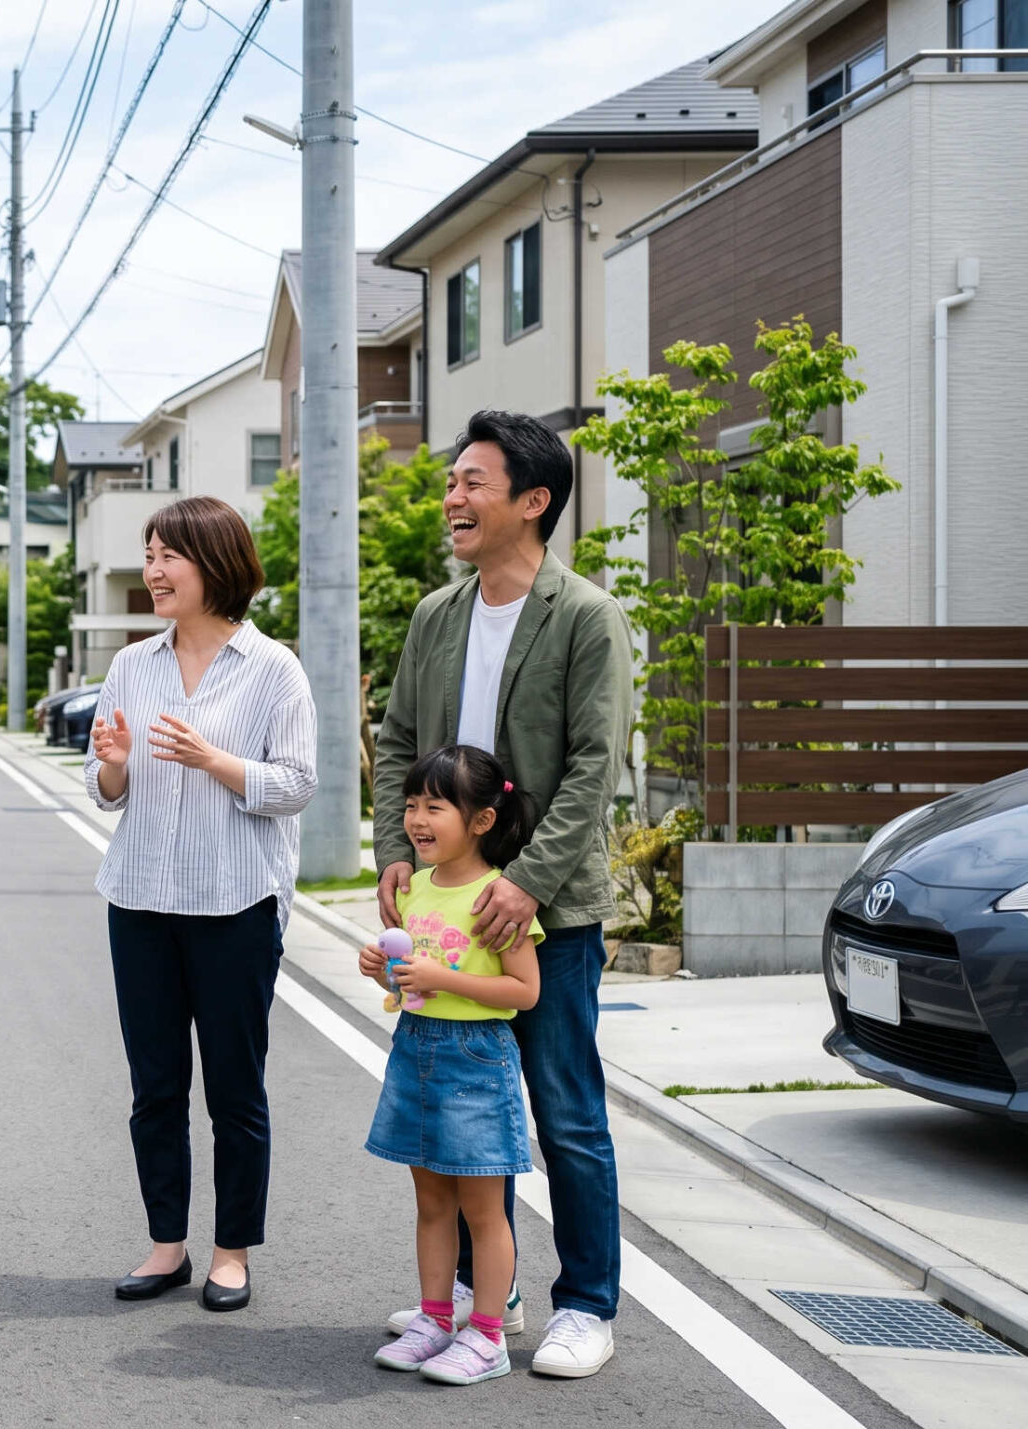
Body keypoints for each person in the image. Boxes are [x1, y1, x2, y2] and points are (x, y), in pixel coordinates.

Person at [372, 410, 633, 1378]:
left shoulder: (586, 615)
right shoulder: (437, 615)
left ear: (533, 500)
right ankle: (492, 1300)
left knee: (564, 1110)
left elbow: (595, 767)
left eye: (471, 481)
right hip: (447, 904)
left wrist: (525, 881)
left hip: (547, 909)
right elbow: (398, 741)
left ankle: (588, 1305)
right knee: (461, 1115)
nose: (452, 496)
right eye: (451, 480)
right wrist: (396, 849)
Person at [85, 495, 316, 1312]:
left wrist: (213, 759)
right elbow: (104, 788)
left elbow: (297, 784)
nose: (152, 571)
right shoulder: (131, 665)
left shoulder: (273, 668)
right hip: (140, 898)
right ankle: (166, 1245)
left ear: (215, 564)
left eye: (167, 556)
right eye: (149, 555)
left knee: (234, 1090)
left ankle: (231, 1252)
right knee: (155, 1086)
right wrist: (115, 762)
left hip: (235, 903)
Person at [363, 746, 545, 1387]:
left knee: (483, 1211)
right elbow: (410, 985)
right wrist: (384, 972)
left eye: (434, 807)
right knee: (431, 1201)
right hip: (416, 1049)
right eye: (411, 805)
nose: (417, 819)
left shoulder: (497, 897)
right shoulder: (412, 888)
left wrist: (443, 977)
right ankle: (436, 1319)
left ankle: (489, 1336)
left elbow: (524, 991)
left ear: (481, 820)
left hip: (476, 1059)